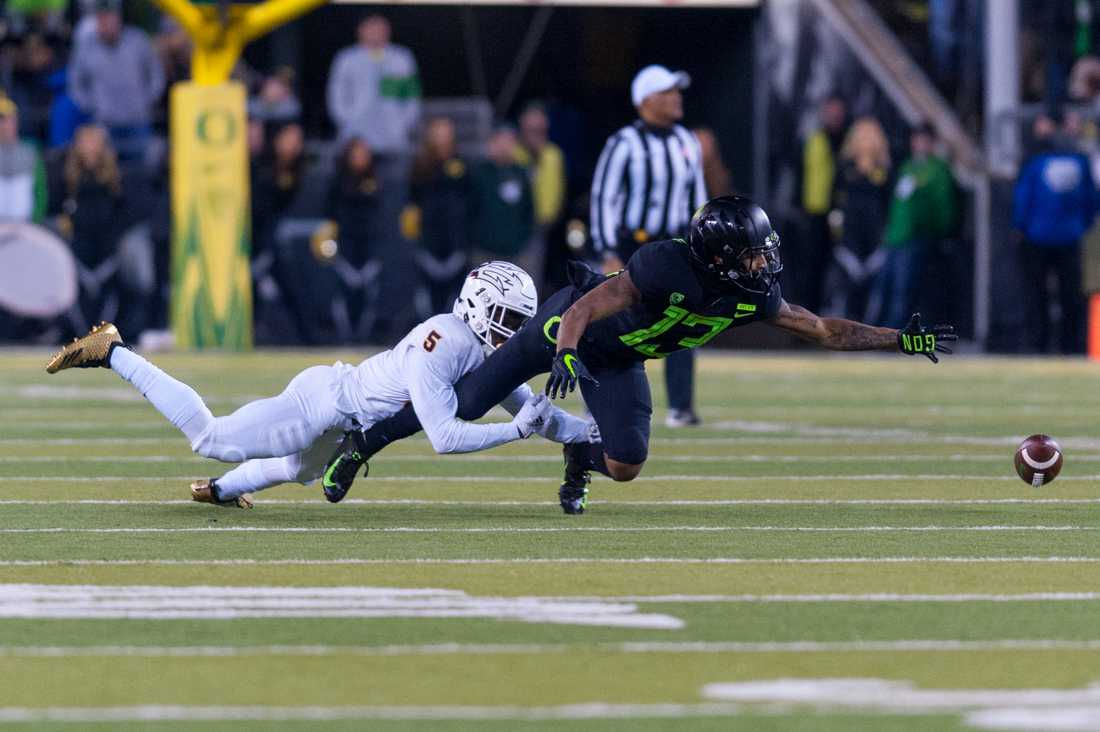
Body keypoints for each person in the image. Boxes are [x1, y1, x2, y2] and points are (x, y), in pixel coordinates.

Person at [324, 196, 955, 515]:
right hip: (567, 330)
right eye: (752, 254)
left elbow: (824, 330)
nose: (763, 265)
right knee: (463, 403)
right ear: (716, 254)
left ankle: (577, 455)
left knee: (626, 462)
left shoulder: (754, 296)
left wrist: (904, 339)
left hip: (620, 359)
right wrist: (564, 354)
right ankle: (363, 444)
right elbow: (584, 306)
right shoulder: (665, 264)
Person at [44, 262, 594, 507]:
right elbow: (446, 437)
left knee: (297, 472)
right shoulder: (444, 341)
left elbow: (530, 407)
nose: (514, 333)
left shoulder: (477, 346)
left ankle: (220, 492)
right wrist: (515, 435)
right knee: (209, 438)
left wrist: (585, 434)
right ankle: (111, 350)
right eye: (507, 317)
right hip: (325, 402)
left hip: (347, 418)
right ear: (479, 307)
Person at [590, 64, 707, 429]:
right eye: (668, 92)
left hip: (676, 243)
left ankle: (681, 406)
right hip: (633, 244)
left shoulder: (687, 141)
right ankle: (598, 400)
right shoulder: (624, 143)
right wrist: (607, 247)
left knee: (688, 316)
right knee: (612, 323)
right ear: (646, 100)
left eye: (677, 91)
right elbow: (603, 196)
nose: (676, 98)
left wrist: (703, 240)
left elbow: (698, 197)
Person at [1013, 112, 1098, 353]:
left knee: (1036, 295)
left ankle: (1036, 344)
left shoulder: (1036, 162)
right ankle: (1070, 345)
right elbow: (1091, 200)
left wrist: (1020, 227)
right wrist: (1083, 225)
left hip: (1037, 237)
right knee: (1070, 296)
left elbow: (1023, 199)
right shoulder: (1079, 162)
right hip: (1070, 237)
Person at [869, 121, 957, 329]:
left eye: (925, 140)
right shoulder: (907, 167)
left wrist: (938, 232)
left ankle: (894, 333)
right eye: (917, 140)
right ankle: (878, 330)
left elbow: (944, 207)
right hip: (894, 237)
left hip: (915, 239)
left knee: (904, 290)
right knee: (884, 287)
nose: (920, 145)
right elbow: (897, 204)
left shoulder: (937, 170)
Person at [67, 0, 164, 163]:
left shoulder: (137, 40)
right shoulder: (87, 47)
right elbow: (75, 83)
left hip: (138, 120)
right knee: (108, 173)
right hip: (105, 123)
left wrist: (148, 100)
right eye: (101, 19)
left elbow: (156, 73)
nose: (106, 23)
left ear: (118, 19)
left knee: (142, 172)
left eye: (109, 18)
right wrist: (92, 106)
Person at [325, 14, 421, 156]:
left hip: (393, 136)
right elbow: (336, 95)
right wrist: (346, 120)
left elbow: (411, 95)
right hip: (355, 135)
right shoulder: (346, 58)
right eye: (372, 28)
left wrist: (404, 124)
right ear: (361, 31)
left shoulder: (401, 58)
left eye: (381, 29)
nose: (376, 33)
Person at [831, 116, 892, 320]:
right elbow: (836, 200)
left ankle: (872, 327)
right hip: (850, 234)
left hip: (875, 235)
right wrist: (837, 232)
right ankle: (847, 323)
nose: (866, 140)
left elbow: (888, 203)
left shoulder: (884, 170)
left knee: (874, 285)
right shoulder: (845, 166)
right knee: (849, 281)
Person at [411, 117, 471, 319]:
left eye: (446, 133)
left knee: (454, 292)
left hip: (456, 240)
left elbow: (469, 199)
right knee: (427, 292)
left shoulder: (462, 163)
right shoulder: (420, 165)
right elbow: (412, 202)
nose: (442, 138)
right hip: (428, 240)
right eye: (438, 133)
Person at [800, 95, 847, 315]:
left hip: (839, 212)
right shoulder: (815, 139)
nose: (835, 117)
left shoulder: (847, 140)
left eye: (838, 113)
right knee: (812, 269)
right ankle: (809, 316)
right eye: (831, 112)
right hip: (815, 213)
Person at [513, 101, 566, 289]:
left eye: (539, 128)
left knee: (533, 278)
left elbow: (558, 188)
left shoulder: (553, 154)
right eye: (531, 128)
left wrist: (553, 215)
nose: (536, 132)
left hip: (543, 226)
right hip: (514, 225)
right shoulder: (513, 153)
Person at [469, 122, 534, 264]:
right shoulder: (478, 172)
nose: (504, 146)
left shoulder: (521, 173)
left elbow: (529, 210)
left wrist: (523, 239)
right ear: (491, 143)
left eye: (509, 141)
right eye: (499, 141)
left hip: (516, 251)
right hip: (483, 250)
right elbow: (468, 209)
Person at [0, 97, 47, 224]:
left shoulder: (30, 152)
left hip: (25, 227)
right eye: (1, 121)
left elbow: (40, 192)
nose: (4, 125)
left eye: (8, 120)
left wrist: (35, 222)